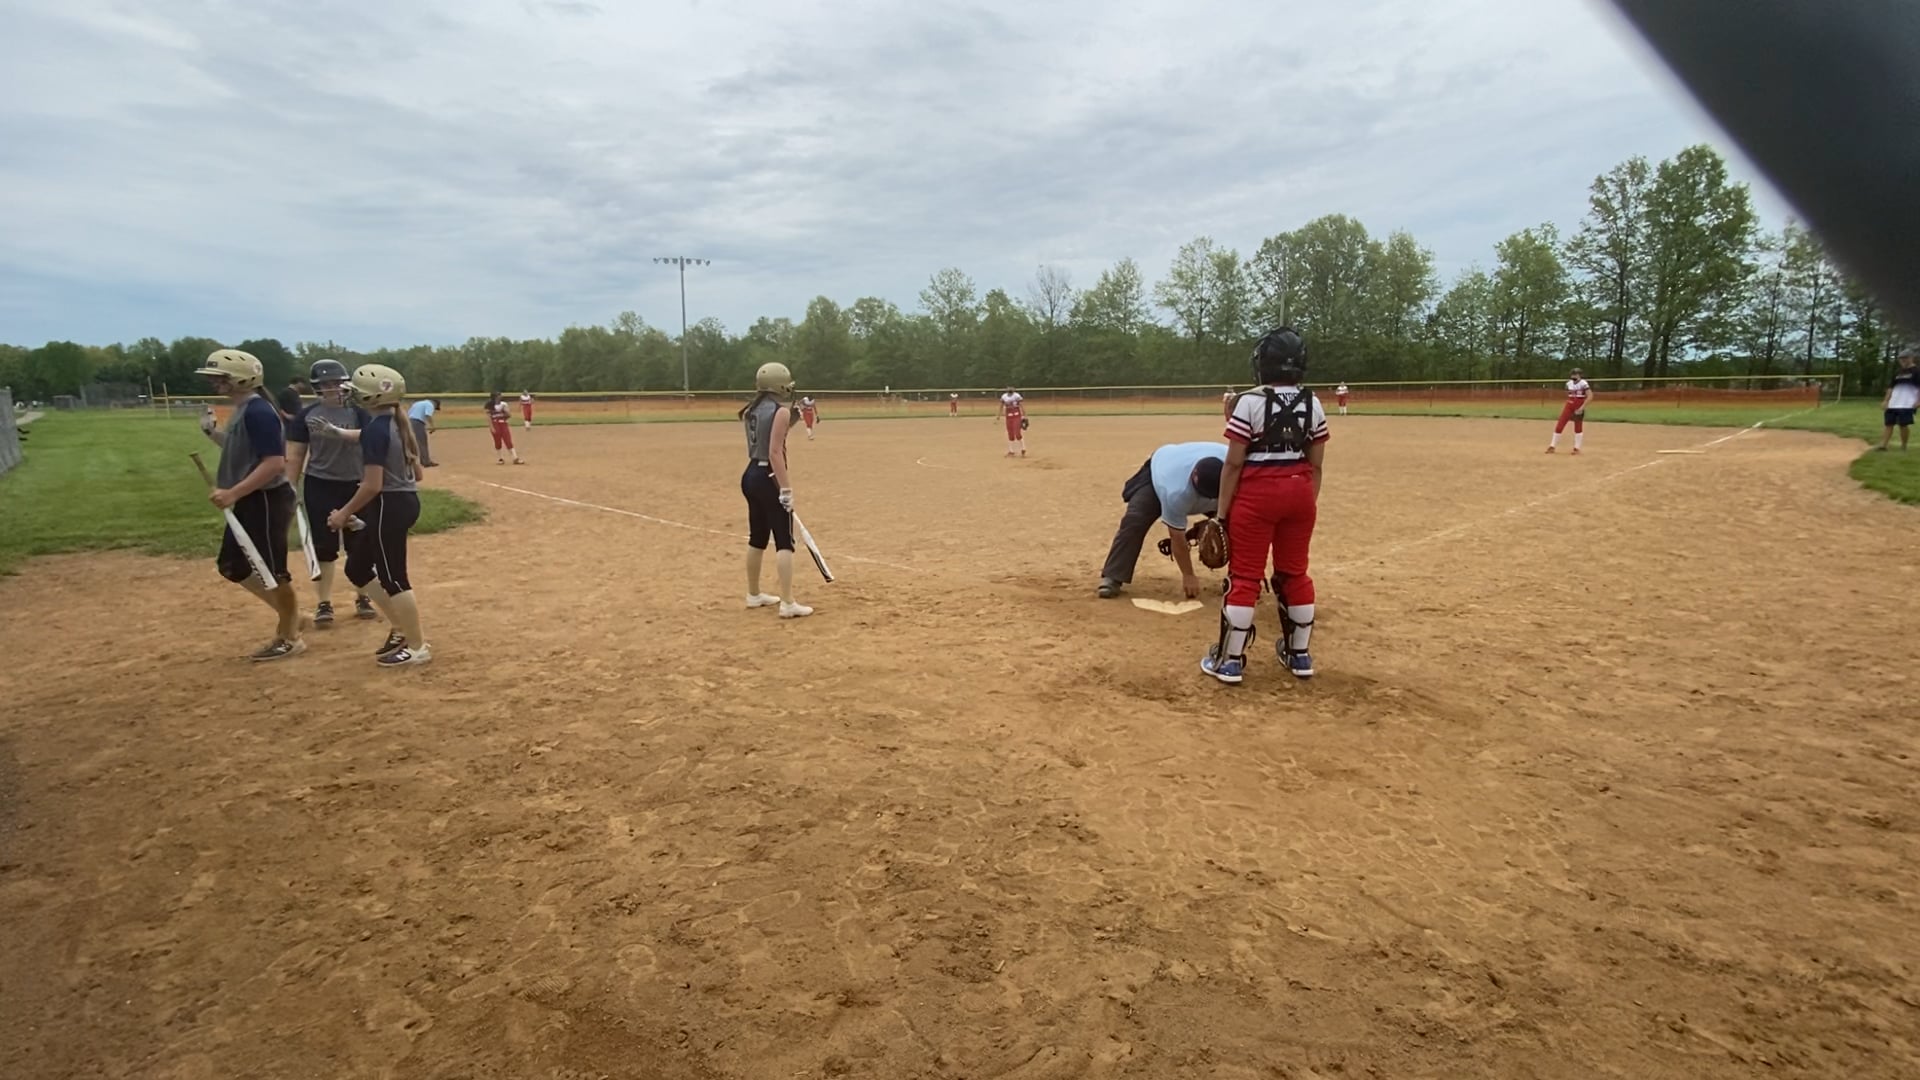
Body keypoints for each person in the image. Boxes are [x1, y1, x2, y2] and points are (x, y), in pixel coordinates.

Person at [1203, 327, 1329, 684]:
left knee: (1245, 577)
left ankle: (1230, 661)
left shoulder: (1250, 402)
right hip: (1301, 494)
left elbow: (1233, 463)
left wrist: (1221, 515)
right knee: (1295, 573)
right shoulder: (1313, 403)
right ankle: (1299, 655)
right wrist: (1305, 504)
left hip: (1257, 496)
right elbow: (1317, 465)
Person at [194, 349, 306, 661]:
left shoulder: (259, 411)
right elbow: (241, 448)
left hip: (267, 499)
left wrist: (233, 493)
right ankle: (292, 616)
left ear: (242, 378)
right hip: (251, 498)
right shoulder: (244, 410)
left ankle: (290, 636)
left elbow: (274, 463)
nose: (215, 382)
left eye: (220, 377)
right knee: (233, 565)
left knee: (272, 570)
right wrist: (211, 433)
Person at [331, 364, 432, 666]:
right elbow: (417, 474)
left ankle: (417, 646)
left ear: (370, 397)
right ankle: (401, 629)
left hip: (391, 504)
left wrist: (344, 513)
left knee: (393, 578)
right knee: (358, 568)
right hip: (396, 503)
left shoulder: (378, 428)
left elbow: (373, 485)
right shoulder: (394, 423)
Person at [286, 358, 377, 625]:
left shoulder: (358, 413)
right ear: (317, 387)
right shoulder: (307, 415)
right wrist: (290, 488)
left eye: (338, 382)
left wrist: (337, 432)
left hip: (355, 484)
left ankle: (363, 596)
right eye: (327, 384)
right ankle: (324, 602)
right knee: (324, 546)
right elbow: (296, 454)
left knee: (359, 544)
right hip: (320, 483)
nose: (334, 388)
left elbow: (372, 437)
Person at [1097, 442, 1226, 600]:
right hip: (1156, 476)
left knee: (1239, 523)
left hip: (1220, 488)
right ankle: (1113, 575)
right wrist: (1188, 575)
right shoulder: (1176, 492)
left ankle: (1239, 578)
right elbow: (1176, 537)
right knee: (1135, 519)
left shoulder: (1235, 466)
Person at [739, 363, 813, 618]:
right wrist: (785, 489)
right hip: (768, 476)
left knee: (757, 537)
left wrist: (792, 417)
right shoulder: (779, 411)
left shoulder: (752, 409)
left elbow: (768, 435)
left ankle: (753, 594)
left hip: (751, 474)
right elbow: (774, 451)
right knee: (784, 540)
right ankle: (788, 603)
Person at [1878, 347, 1918, 451]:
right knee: (1888, 424)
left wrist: (1918, 401)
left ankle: (1904, 445)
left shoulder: (1917, 372)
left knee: (1903, 425)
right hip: (1893, 403)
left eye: (1905, 358)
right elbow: (1890, 388)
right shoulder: (1898, 373)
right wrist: (1886, 400)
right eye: (1901, 358)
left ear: (1911, 358)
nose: (1903, 360)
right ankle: (1883, 445)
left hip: (1907, 404)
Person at [1546, 368, 1592, 454]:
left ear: (1579, 375)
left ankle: (1576, 448)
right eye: (1573, 374)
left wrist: (1582, 408)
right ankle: (1552, 446)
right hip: (1569, 406)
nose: (1574, 376)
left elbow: (1590, 396)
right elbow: (1570, 395)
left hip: (1578, 406)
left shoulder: (1583, 383)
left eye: (1576, 374)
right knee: (1560, 425)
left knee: (1578, 427)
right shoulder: (1568, 383)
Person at [486, 391, 524, 465]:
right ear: (494, 397)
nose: (500, 397)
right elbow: (488, 417)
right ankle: (500, 459)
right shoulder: (489, 405)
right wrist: (491, 427)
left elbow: (509, 415)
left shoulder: (504, 404)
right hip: (495, 424)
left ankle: (515, 458)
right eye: (498, 396)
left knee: (508, 440)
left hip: (503, 423)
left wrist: (506, 412)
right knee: (497, 442)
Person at [407, 396, 441, 467]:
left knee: (410, 441)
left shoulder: (418, 403)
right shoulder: (430, 404)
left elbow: (409, 413)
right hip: (417, 423)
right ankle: (426, 461)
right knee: (422, 441)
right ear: (435, 404)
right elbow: (428, 415)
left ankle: (408, 460)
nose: (434, 409)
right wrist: (432, 426)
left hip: (409, 421)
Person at [998, 387, 1027, 457]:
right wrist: (998, 415)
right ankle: (1011, 451)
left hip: (1017, 416)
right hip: (1008, 417)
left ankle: (1023, 448)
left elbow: (1021, 405)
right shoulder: (1004, 396)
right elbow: (1001, 406)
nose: (1010, 392)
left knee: (1017, 433)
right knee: (1010, 433)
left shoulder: (1017, 396)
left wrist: (1024, 415)